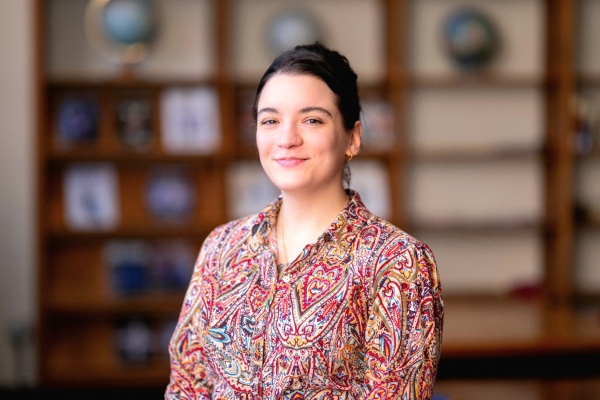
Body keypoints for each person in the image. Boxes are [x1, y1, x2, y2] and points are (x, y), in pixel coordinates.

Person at [165, 42, 443, 400]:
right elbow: (188, 385)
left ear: (352, 138)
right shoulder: (221, 246)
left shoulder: (397, 263)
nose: (287, 139)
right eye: (270, 121)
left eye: (311, 119)